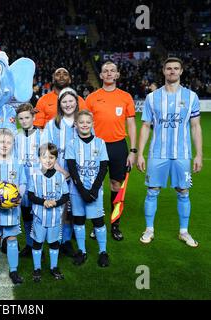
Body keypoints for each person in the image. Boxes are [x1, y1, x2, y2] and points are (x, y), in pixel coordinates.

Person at [137, 57, 203, 247]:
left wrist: (198, 154)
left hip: (182, 154)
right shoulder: (152, 97)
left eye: (176, 68)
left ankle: (184, 231)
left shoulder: (191, 97)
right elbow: (145, 126)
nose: (172, 71)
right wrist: (140, 153)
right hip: (157, 153)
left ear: (181, 71)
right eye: (169, 68)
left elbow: (196, 127)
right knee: (152, 191)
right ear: (163, 71)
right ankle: (149, 229)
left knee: (183, 191)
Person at [84, 61, 137, 241]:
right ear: (100, 75)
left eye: (112, 71)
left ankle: (115, 224)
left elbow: (131, 123)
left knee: (117, 186)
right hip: (96, 147)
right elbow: (85, 124)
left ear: (117, 75)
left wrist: (133, 150)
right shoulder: (91, 98)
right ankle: (96, 225)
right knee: (95, 187)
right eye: (105, 71)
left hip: (118, 147)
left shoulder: (126, 97)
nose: (108, 73)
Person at [0, 128, 27, 285]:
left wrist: (19, 195)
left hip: (12, 210)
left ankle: (13, 271)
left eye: (9, 142)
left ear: (13, 144)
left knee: (12, 239)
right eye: (2, 141)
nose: (5, 145)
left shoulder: (18, 163)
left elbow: (22, 182)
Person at [66, 110, 109, 267]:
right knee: (78, 220)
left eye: (87, 122)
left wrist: (94, 189)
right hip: (77, 192)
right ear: (76, 125)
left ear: (92, 124)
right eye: (81, 122)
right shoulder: (71, 144)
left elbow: (103, 167)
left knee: (98, 221)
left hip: (94, 191)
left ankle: (103, 252)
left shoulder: (100, 143)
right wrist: (82, 191)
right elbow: (72, 169)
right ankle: (82, 251)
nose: (84, 125)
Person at [42, 88, 80, 255]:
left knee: (73, 207)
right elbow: (46, 149)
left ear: (76, 102)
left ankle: (67, 240)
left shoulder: (82, 121)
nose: (68, 104)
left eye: (71, 101)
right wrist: (62, 171)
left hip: (79, 172)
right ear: (59, 104)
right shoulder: (52, 124)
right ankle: (55, 240)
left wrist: (76, 173)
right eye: (64, 101)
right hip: (57, 170)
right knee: (59, 205)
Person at [28, 143, 69, 282]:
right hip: (39, 218)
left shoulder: (60, 177)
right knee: (37, 243)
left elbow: (66, 196)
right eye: (44, 157)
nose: (48, 160)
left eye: (51, 157)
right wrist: (43, 202)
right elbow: (31, 195)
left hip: (55, 219)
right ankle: (37, 268)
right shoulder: (34, 176)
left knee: (54, 243)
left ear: (56, 158)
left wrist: (56, 203)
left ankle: (53, 267)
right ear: (39, 158)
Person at [14, 103, 42, 257]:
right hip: (23, 184)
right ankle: (30, 245)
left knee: (38, 216)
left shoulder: (42, 135)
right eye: (21, 119)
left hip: (38, 184)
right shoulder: (16, 137)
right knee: (26, 215)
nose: (24, 121)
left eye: (27, 117)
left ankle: (38, 246)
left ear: (33, 117)